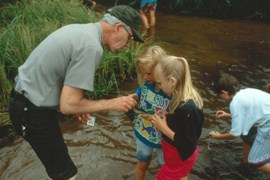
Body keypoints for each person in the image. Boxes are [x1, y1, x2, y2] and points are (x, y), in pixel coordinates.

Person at [8, 5, 144, 180]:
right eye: (130, 38)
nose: (127, 45)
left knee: (59, 170)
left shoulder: (80, 31)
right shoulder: (91, 47)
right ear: (119, 28)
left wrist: (80, 107)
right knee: (67, 175)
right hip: (31, 112)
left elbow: (59, 83)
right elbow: (68, 105)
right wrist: (114, 103)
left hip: (24, 102)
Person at [151, 56, 205, 180]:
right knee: (182, 176)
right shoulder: (185, 97)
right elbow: (190, 128)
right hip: (181, 158)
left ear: (172, 81)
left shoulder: (187, 108)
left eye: (160, 83)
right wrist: (169, 115)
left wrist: (163, 127)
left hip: (179, 158)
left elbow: (187, 143)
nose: (159, 87)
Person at [209, 73, 270, 174]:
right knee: (247, 134)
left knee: (256, 161)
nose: (219, 98)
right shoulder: (246, 91)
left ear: (224, 93)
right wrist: (228, 115)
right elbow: (252, 113)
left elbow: (235, 134)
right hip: (266, 118)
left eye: (219, 95)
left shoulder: (235, 103)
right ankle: (246, 164)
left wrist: (218, 136)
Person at [128, 45, 171, 180]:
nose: (145, 77)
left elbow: (177, 112)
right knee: (141, 164)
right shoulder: (146, 83)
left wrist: (160, 116)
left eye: (149, 73)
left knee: (165, 168)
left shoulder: (169, 88)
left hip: (164, 137)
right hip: (144, 132)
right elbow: (141, 91)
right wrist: (135, 96)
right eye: (142, 73)